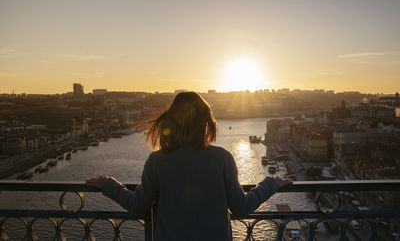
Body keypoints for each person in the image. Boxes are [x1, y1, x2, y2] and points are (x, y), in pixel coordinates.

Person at [86, 91, 291, 241]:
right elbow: (240, 208)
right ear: (206, 123)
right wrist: (270, 184)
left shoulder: (158, 161)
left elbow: (139, 207)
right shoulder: (222, 158)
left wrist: (108, 185)